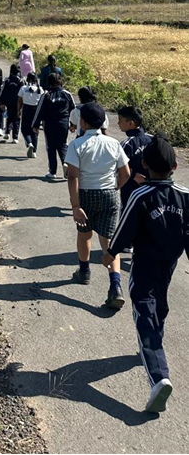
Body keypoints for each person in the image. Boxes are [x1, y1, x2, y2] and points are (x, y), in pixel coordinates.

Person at [103, 134, 189, 413]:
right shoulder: (185, 195)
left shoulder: (140, 195)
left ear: (144, 165)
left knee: (143, 312)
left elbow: (125, 227)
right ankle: (154, 345)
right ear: (175, 166)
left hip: (143, 264)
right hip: (169, 262)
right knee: (159, 304)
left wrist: (111, 252)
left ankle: (158, 376)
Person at [65, 103, 130, 309]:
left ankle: (84, 271)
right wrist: (115, 187)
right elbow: (126, 173)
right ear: (103, 122)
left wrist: (76, 205)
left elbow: (72, 176)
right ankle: (115, 286)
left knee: (85, 235)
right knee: (108, 242)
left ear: (83, 122)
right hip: (109, 194)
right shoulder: (114, 144)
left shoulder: (77, 145)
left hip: (86, 195)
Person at [32, 74, 76, 179]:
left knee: (51, 147)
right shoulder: (67, 94)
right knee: (63, 145)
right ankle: (66, 164)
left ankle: (52, 171)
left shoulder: (46, 94)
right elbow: (73, 110)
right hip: (63, 123)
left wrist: (35, 125)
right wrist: (73, 124)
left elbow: (39, 110)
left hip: (49, 123)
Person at [117, 106, 152, 207]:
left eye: (120, 120)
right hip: (151, 188)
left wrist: (133, 175)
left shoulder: (127, 144)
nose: (118, 123)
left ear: (130, 123)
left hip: (130, 190)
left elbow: (118, 166)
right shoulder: (153, 139)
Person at [17, 72, 43, 158]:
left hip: (26, 109)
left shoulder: (24, 88)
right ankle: (34, 151)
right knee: (35, 130)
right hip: (36, 110)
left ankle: (29, 143)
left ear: (27, 79)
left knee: (25, 129)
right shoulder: (40, 89)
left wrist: (18, 110)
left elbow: (19, 101)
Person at [0, 64, 23, 143]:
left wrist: (2, 102)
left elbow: (4, 91)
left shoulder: (8, 80)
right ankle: (15, 137)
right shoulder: (21, 80)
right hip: (18, 102)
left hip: (9, 102)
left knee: (9, 117)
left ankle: (7, 133)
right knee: (17, 119)